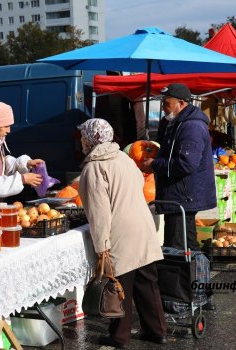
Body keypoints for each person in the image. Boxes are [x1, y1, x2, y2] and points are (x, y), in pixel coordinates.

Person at [78, 118, 167, 348]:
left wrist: (102, 246)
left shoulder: (94, 167)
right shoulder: (124, 158)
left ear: (91, 139)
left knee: (119, 287)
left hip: (121, 231)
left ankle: (119, 337)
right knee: (148, 283)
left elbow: (99, 212)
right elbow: (138, 182)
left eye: (82, 137)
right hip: (143, 226)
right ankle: (158, 331)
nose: (80, 141)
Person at [141, 83, 216, 252]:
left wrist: (154, 164)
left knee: (180, 248)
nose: (163, 108)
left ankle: (187, 277)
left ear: (181, 103)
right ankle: (190, 276)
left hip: (184, 196)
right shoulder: (175, 123)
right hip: (178, 195)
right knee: (182, 245)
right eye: (162, 104)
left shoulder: (192, 126)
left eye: (166, 103)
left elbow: (186, 163)